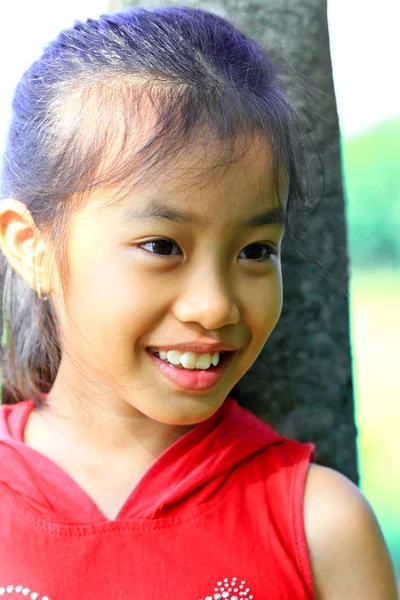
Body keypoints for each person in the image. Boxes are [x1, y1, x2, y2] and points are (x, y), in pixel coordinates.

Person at [0, 6, 397, 600]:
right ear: (33, 249)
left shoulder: (323, 531)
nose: (215, 308)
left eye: (256, 251)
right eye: (162, 245)